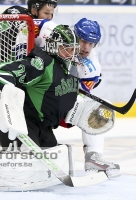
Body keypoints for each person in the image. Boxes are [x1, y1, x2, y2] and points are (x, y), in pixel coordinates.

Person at [35, 18, 120, 178]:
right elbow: (34, 24)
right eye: (83, 41)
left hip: (54, 105)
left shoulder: (91, 67)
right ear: (74, 35)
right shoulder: (54, 32)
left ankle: (93, 156)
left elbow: (71, 97)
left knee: (100, 110)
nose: (86, 47)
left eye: (91, 43)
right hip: (34, 89)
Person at [0, 24, 80, 149]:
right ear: (54, 46)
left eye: (74, 49)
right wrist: (1, 101)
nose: (72, 54)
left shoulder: (71, 68)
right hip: (18, 123)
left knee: (56, 162)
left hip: (44, 128)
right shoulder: (42, 63)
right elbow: (0, 71)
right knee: (26, 164)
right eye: (68, 49)